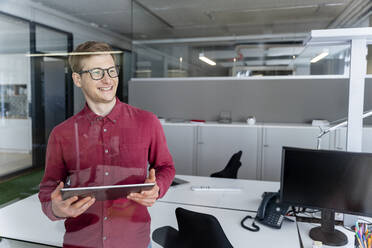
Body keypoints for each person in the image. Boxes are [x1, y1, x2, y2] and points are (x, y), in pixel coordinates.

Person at [38, 41, 175, 248]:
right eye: (96, 72)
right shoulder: (62, 133)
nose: (107, 79)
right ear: (77, 79)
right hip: (80, 242)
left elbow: (166, 167)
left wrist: (158, 188)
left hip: (133, 242)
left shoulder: (147, 122)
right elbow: (49, 187)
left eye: (111, 70)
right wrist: (56, 209)